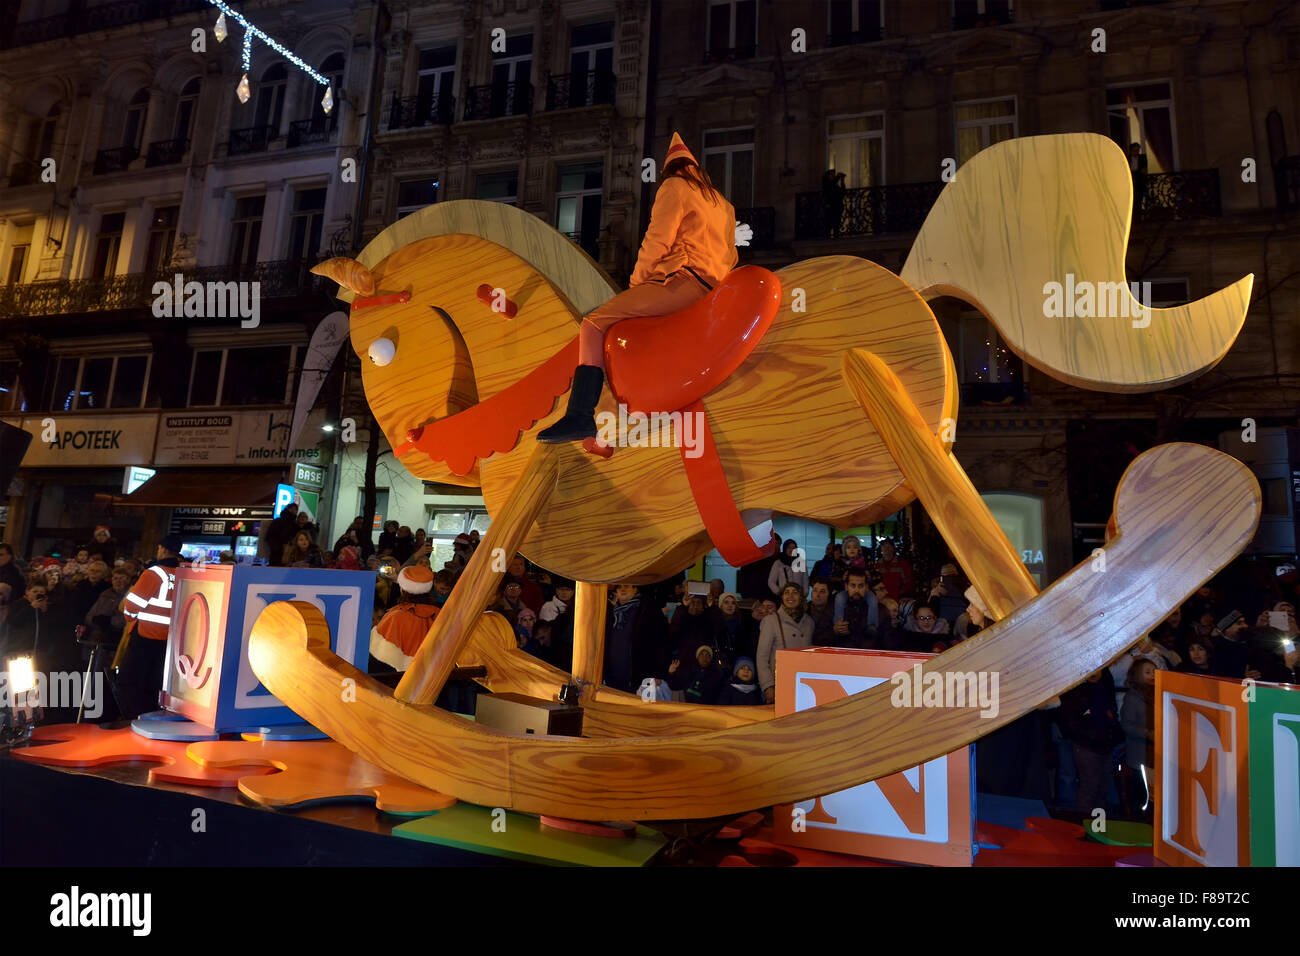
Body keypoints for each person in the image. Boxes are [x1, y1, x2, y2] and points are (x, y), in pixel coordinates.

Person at [539, 131, 739, 442]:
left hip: (679, 281)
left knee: (592, 324)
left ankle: (579, 415)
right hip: (709, 289)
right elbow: (731, 256)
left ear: (669, 170)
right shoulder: (722, 205)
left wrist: (636, 284)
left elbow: (657, 240)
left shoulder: (675, 186)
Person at [116, 535, 183, 719]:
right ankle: (153, 718)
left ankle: (134, 718)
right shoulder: (185, 574)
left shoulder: (154, 573)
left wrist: (130, 617)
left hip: (146, 635)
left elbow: (131, 605)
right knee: (156, 682)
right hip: (170, 639)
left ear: (162, 549)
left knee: (131, 681)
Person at [1058, 668, 1123, 816]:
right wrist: (1087, 733)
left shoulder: (1105, 677)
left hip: (1105, 739)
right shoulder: (1074, 681)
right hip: (1086, 742)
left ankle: (1098, 825)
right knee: (1090, 785)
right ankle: (1085, 823)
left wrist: (1111, 724)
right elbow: (1069, 715)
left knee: (1103, 786)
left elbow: (1111, 704)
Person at [602, 583, 669, 694]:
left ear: (635, 589)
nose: (622, 590)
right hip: (612, 677)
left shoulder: (648, 609)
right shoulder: (612, 611)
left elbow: (661, 643)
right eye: (619, 587)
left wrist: (657, 674)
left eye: (627, 586)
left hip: (639, 677)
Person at [369, 565, 438, 672]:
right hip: (432, 677)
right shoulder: (440, 614)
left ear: (402, 589)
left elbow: (379, 658)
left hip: (401, 682)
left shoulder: (395, 617)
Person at [756, 583, 814, 704]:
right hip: (779, 685)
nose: (790, 595)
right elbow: (762, 657)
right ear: (782, 597)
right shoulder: (771, 621)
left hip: (802, 685)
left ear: (801, 597)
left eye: (795, 592)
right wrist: (768, 686)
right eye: (786, 592)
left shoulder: (809, 622)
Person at [830, 568, 881, 648]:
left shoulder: (879, 609)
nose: (856, 590)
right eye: (853, 586)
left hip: (869, 656)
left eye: (860, 586)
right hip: (842, 655)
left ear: (867, 587)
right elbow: (820, 637)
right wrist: (834, 630)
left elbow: (887, 640)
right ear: (846, 586)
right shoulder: (832, 607)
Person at [263, 503, 299, 568]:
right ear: (288, 509)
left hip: (285, 553)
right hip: (279, 553)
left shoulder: (294, 524)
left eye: (295, 509)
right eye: (292, 509)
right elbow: (271, 537)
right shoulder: (281, 522)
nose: (294, 511)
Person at [807, 577, 836, 646]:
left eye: (822, 592)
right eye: (815, 591)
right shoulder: (804, 610)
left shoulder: (835, 611)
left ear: (829, 594)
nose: (817, 595)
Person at [822, 168, 847, 239]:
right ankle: (828, 238)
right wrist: (838, 177)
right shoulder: (826, 184)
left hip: (837, 206)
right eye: (831, 175)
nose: (833, 176)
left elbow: (842, 192)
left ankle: (836, 236)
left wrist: (842, 181)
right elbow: (831, 184)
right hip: (831, 207)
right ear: (827, 176)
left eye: (834, 175)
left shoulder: (835, 186)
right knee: (829, 224)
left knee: (836, 224)